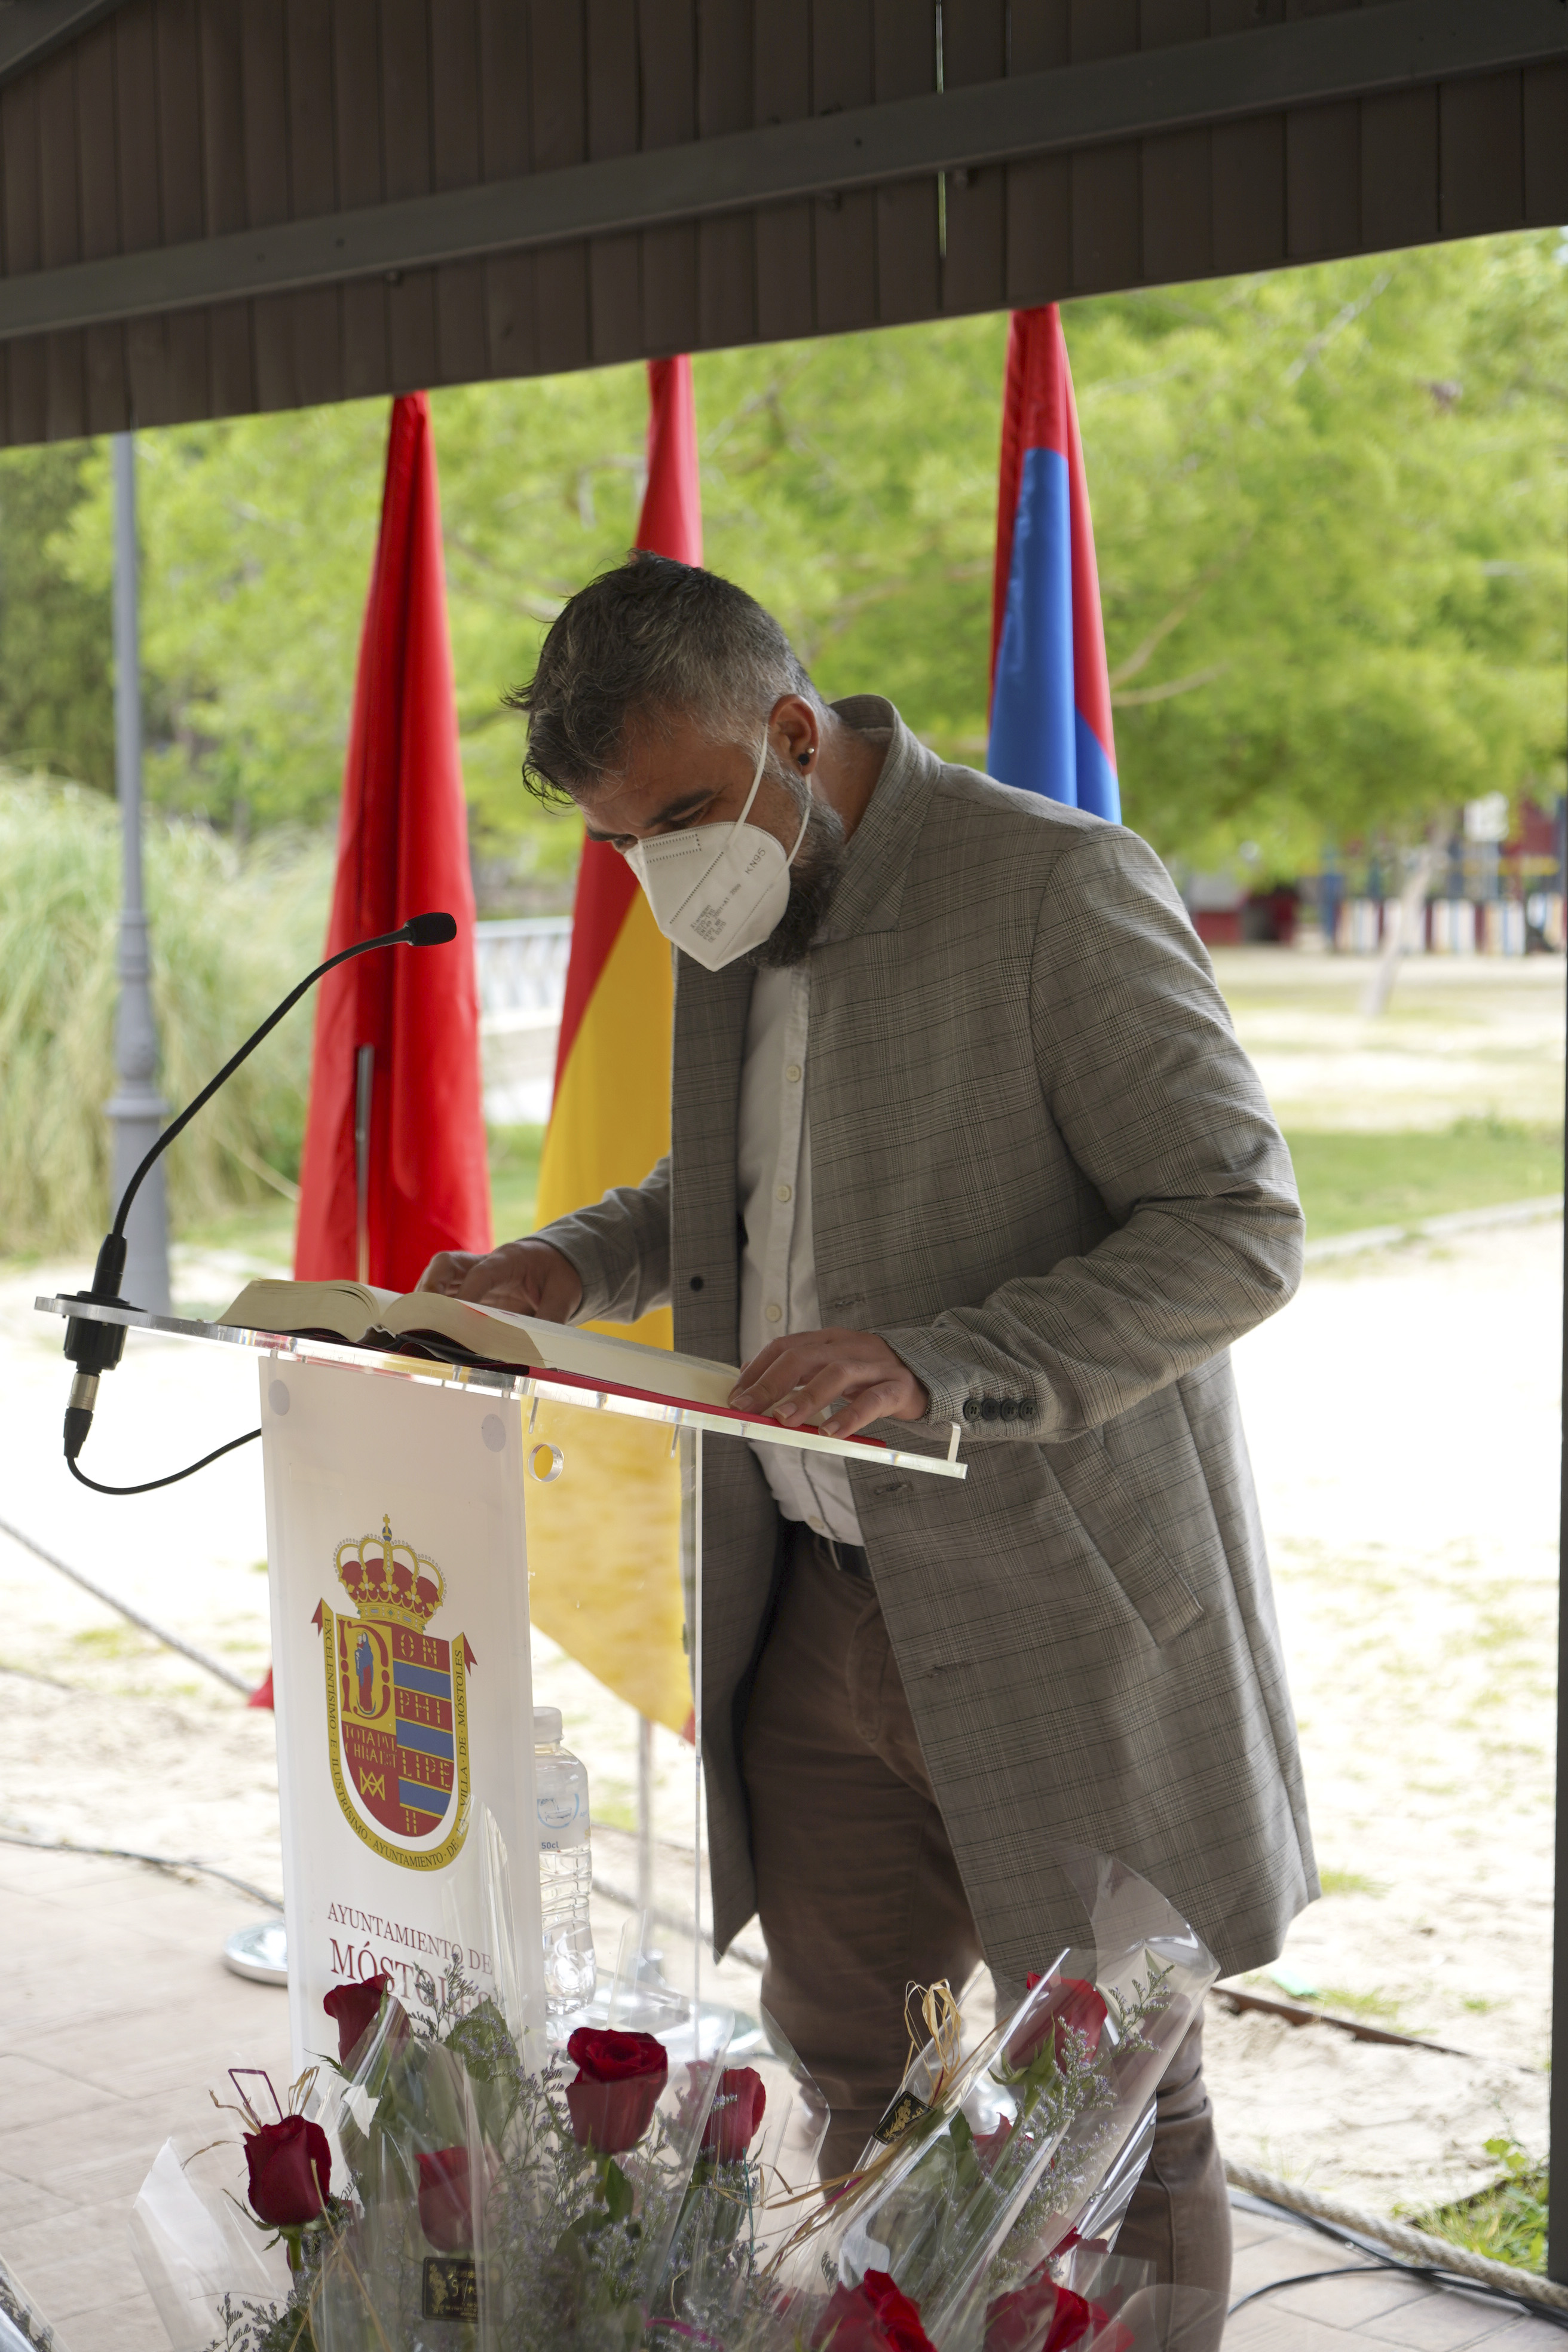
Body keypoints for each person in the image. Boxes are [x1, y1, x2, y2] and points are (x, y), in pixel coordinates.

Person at [421, 555, 1315, 2330]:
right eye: (620, 844)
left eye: (682, 813)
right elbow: (739, 1182)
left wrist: (935, 1361)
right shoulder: (727, 904)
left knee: (1118, 2103)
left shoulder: (1052, 887)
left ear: (791, 726)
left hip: (1061, 1602)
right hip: (806, 1615)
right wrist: (571, 1262)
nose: (664, 870)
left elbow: (1237, 1227)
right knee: (858, 2082)